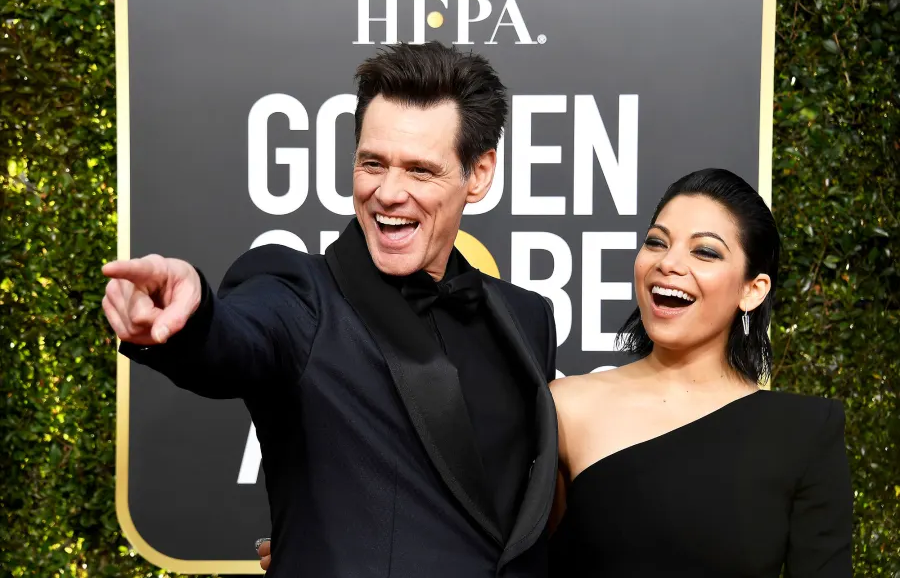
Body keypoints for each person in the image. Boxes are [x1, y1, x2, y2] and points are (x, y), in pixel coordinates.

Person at [103, 42, 559, 577]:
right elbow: (236, 337)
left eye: (420, 171)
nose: (388, 192)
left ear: (477, 174)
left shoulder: (527, 316)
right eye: (372, 163)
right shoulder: (299, 293)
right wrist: (191, 319)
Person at [548, 168, 853, 577]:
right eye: (656, 242)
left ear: (752, 290)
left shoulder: (805, 432)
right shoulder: (565, 406)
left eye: (705, 252)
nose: (668, 263)